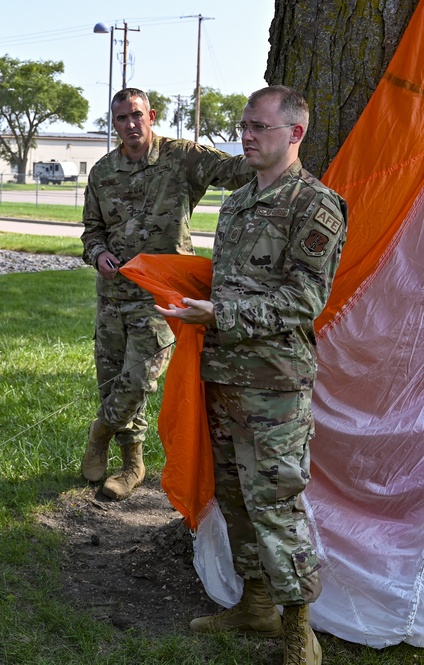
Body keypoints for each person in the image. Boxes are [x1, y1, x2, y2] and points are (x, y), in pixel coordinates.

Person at [158, 85, 346, 665]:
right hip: (224, 375)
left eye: (260, 126)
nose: (246, 135)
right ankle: (257, 604)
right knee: (236, 498)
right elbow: (228, 281)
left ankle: (299, 629)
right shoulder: (238, 203)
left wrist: (222, 314)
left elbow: (303, 299)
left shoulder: (314, 205)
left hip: (274, 384)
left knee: (277, 504)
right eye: (244, 125)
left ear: (295, 134)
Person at [80, 87, 253, 501]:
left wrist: (276, 143)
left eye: (136, 115)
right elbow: (92, 230)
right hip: (114, 295)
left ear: (151, 115)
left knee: (139, 379)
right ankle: (131, 466)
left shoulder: (182, 156)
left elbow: (236, 171)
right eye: (121, 119)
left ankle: (100, 430)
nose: (130, 125)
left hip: (161, 296)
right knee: (112, 380)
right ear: (114, 123)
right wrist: (98, 251)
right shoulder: (102, 171)